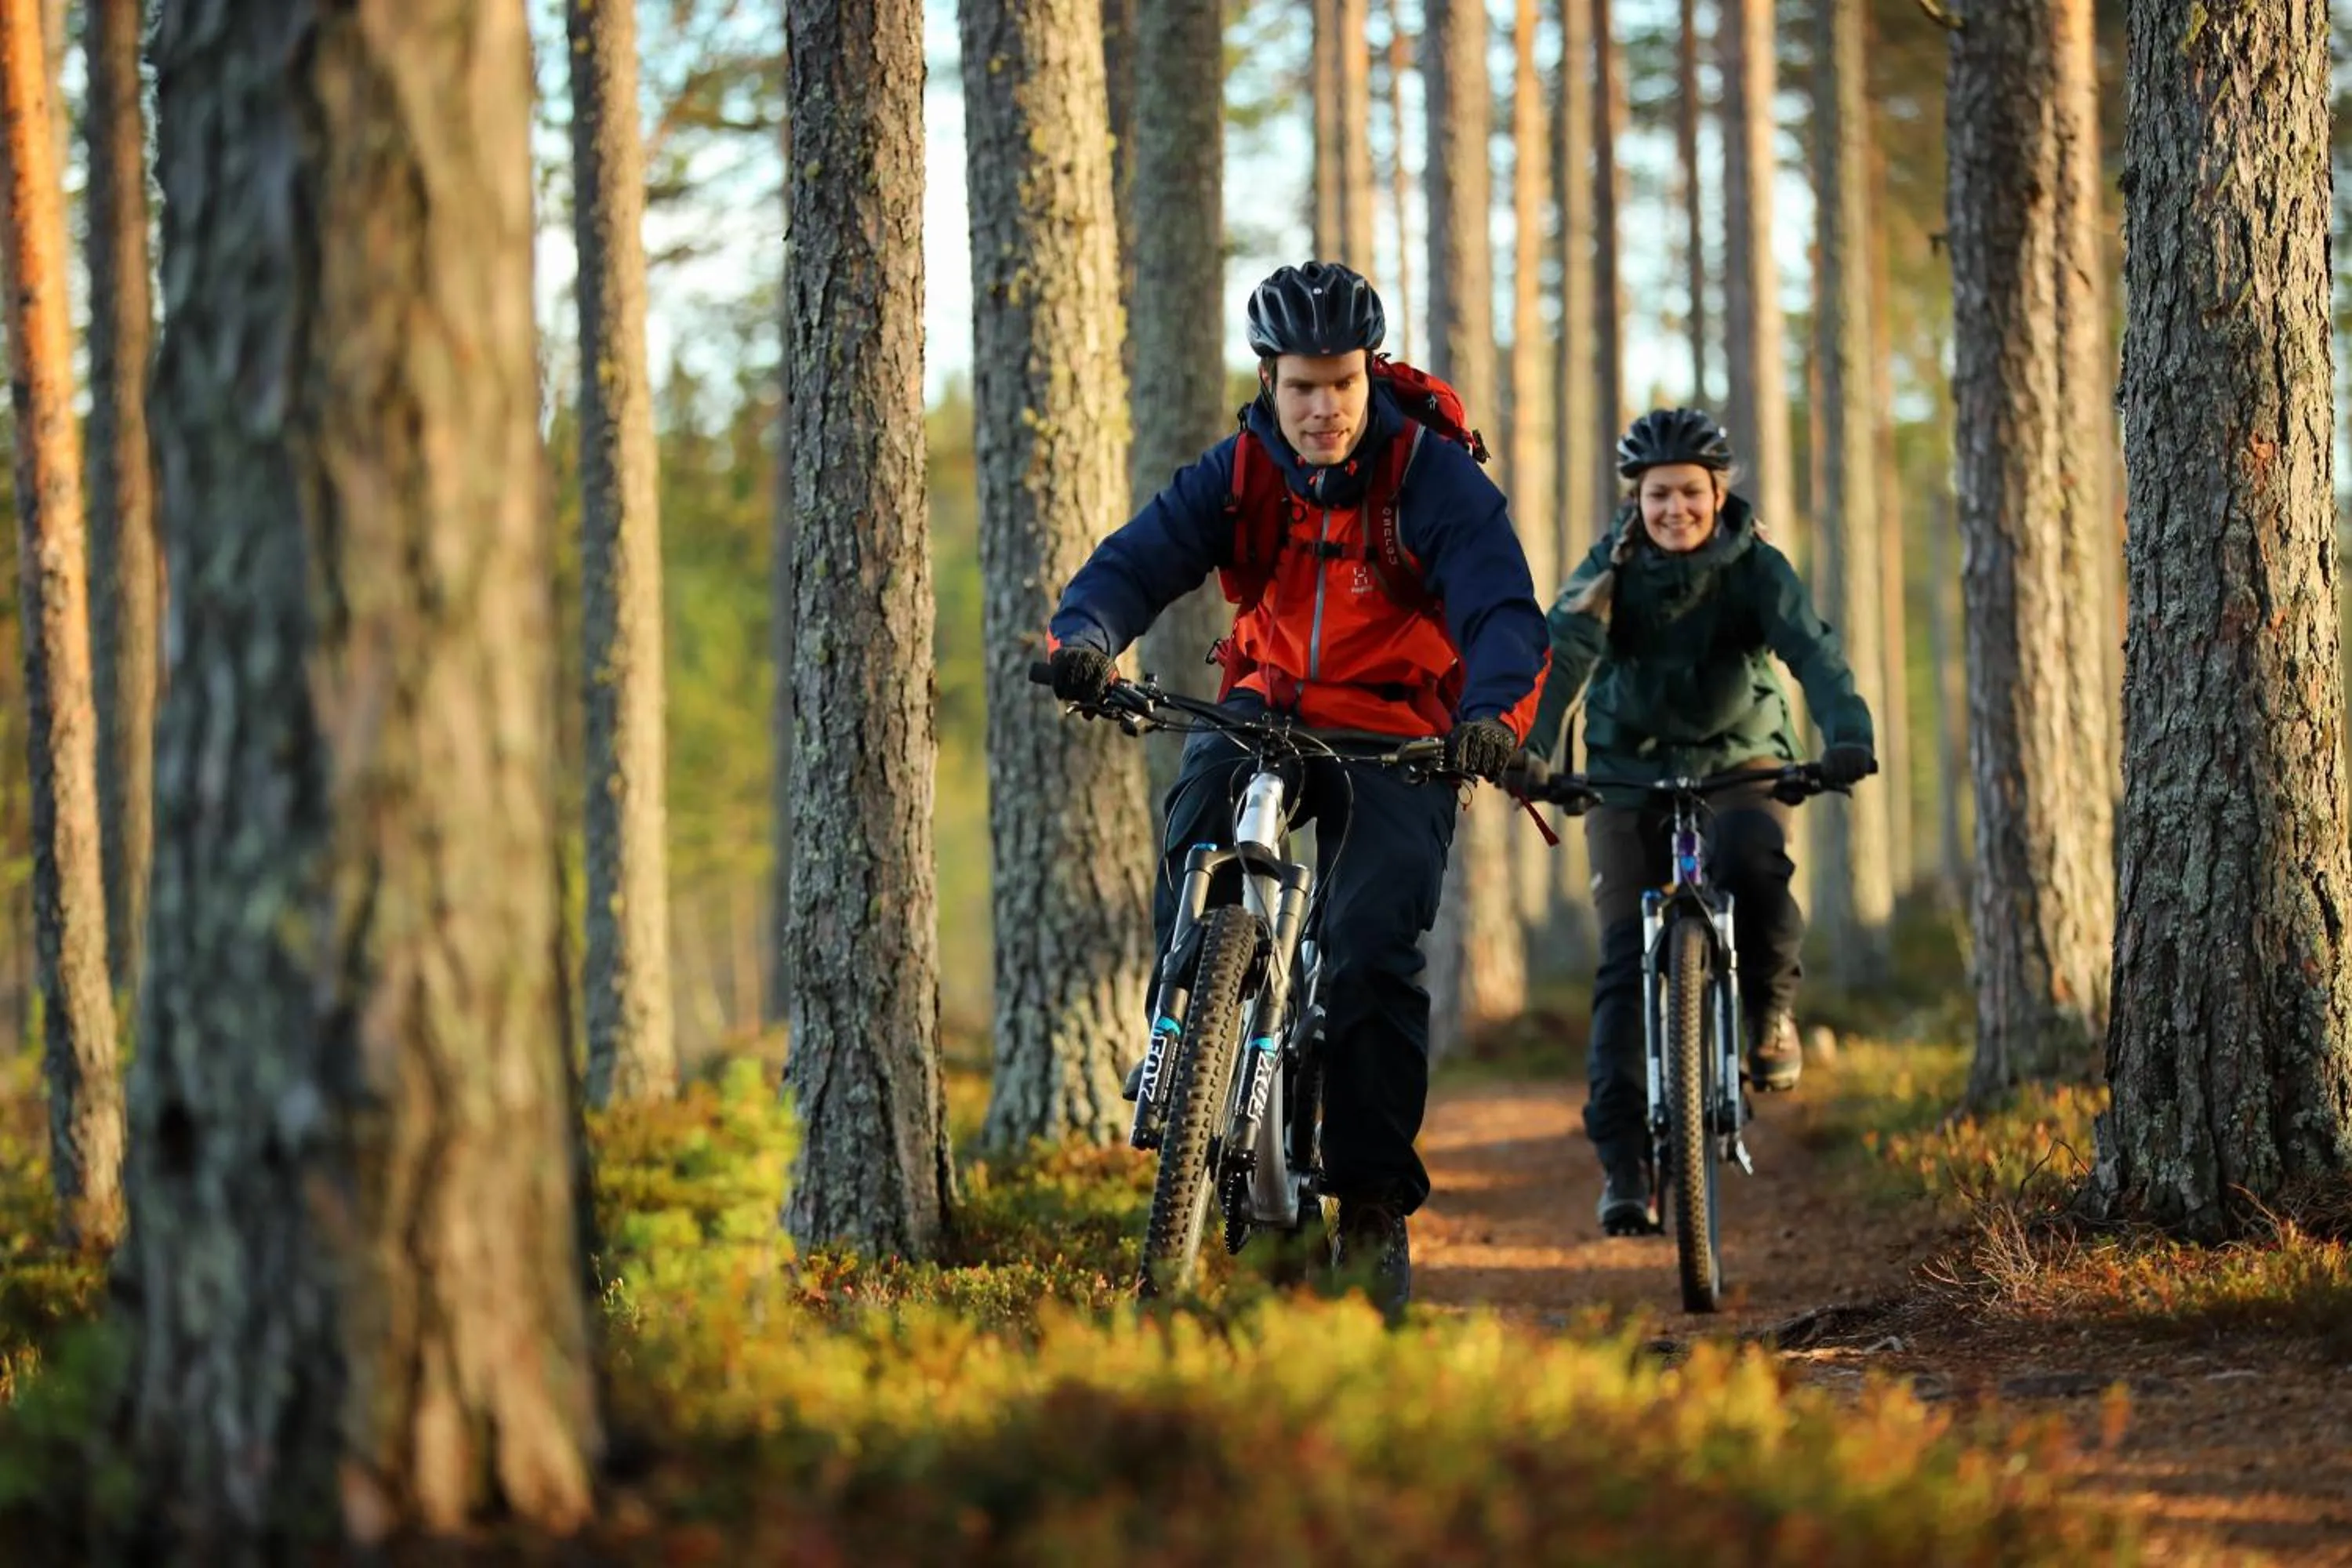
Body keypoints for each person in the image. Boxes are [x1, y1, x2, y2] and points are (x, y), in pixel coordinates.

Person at [1041, 260, 1550, 1311]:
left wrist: (1492, 721)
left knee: (1371, 956)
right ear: (1269, 379)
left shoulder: (1430, 477)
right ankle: (1193, 1049)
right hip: (1264, 706)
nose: (1322, 408)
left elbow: (1504, 610)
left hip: (1399, 734)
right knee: (1195, 842)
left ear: (1371, 377)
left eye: (1342, 384)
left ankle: (1368, 1205)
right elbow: (1135, 564)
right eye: (1301, 386)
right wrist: (1088, 640)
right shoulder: (1241, 472)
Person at [1523, 407, 1875, 1236]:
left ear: (1718, 493)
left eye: (1689, 491)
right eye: (1656, 495)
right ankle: (1624, 1163)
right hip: (1624, 767)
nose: (1673, 508)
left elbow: (1812, 650)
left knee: (1756, 863)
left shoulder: (1755, 566)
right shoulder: (1608, 566)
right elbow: (1565, 647)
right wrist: (1531, 748)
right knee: (1620, 959)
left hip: (1738, 759)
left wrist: (1847, 733)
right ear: (1635, 500)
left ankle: (1767, 1014)